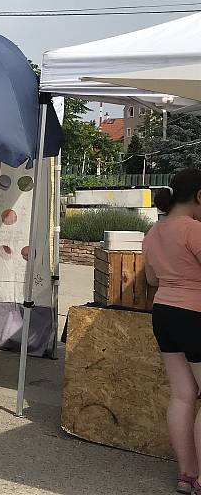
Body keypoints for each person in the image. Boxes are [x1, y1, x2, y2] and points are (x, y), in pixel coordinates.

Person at [142, 168, 201, 495]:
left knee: (182, 395)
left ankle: (187, 474)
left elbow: (151, 279)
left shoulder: (153, 232)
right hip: (195, 315)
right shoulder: (194, 231)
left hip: (164, 314)